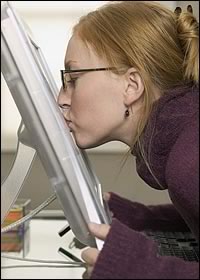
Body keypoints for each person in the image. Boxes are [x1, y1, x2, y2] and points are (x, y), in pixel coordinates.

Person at [57, 1, 199, 279]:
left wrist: (141, 268)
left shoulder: (190, 160)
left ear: (131, 86)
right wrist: (144, 218)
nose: (60, 99)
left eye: (72, 79)